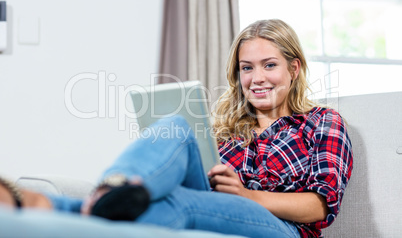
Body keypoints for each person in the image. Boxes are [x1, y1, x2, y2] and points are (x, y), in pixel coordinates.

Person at [0, 19, 353, 238]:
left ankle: (48, 206)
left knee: (179, 203)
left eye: (269, 65)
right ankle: (109, 191)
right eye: (247, 68)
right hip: (213, 203)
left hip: (283, 229)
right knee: (176, 125)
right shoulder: (224, 129)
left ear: (294, 68)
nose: (256, 78)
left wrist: (246, 196)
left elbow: (320, 206)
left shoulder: (322, 121)